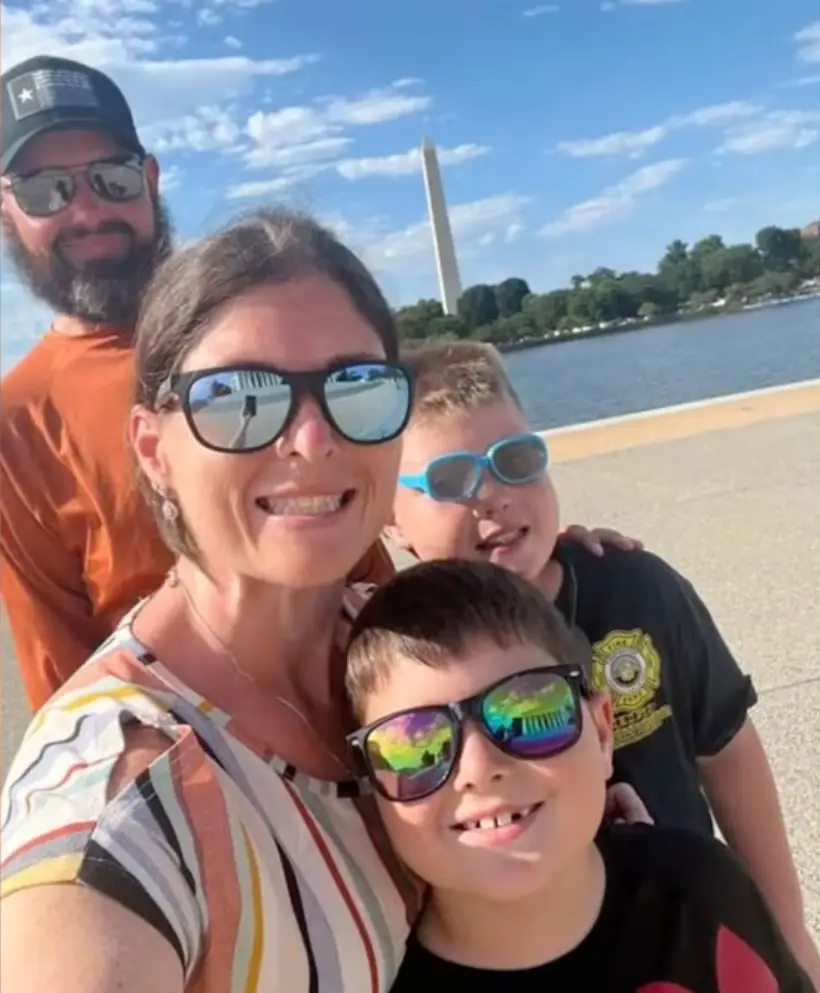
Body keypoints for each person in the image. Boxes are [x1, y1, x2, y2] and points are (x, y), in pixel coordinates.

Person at [0, 207, 641, 993]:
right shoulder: (124, 794)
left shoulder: (398, 641)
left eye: (357, 386)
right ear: (153, 448)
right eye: (238, 397)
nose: (311, 438)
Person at [384, 340, 820, 985]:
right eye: (451, 480)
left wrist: (787, 930)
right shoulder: (399, 655)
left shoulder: (637, 588)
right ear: (390, 522)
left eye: (516, 459)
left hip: (682, 927)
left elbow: (725, 751)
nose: (493, 496)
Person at [0, 55, 397, 712]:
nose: (89, 210)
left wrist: (544, 542)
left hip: (373, 706)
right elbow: (62, 671)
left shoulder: (268, 318)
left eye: (113, 177)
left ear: (150, 179)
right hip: (187, 747)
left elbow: (390, 484)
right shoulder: (17, 419)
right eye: (47, 190)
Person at [344, 558, 813, 992]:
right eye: (416, 746)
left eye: (530, 713)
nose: (479, 769)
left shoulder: (701, 887)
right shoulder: (367, 980)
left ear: (604, 732)